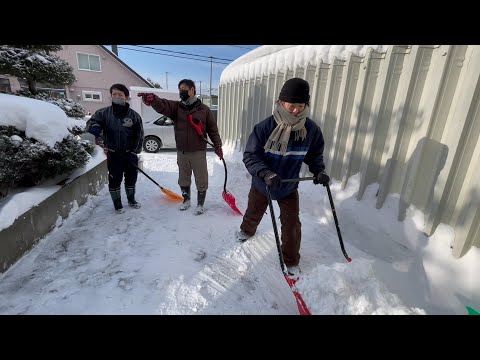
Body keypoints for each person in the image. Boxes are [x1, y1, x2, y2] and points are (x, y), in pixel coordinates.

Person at [237, 78, 330, 275]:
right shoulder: (264, 127)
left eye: (301, 105)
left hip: (288, 187)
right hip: (263, 184)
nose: (296, 110)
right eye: (292, 105)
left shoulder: (310, 130)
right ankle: (246, 230)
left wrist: (318, 171)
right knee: (254, 212)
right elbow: (251, 156)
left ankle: (291, 260)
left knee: (291, 224)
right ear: (281, 103)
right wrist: (266, 173)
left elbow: (314, 155)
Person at [138, 79, 223, 215]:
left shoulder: (204, 110)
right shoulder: (177, 108)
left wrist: (218, 146)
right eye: (180, 89)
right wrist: (154, 100)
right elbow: (163, 105)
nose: (181, 92)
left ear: (192, 90)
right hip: (182, 151)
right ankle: (186, 200)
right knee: (183, 178)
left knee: (201, 178)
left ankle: (200, 204)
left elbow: (213, 130)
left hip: (198, 151)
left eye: (184, 89)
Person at [86, 84, 144, 214]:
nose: (117, 97)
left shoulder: (134, 116)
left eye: (120, 94)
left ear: (126, 97)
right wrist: (94, 126)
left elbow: (139, 135)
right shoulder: (103, 113)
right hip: (113, 153)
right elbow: (92, 122)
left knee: (131, 178)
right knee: (115, 178)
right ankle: (117, 203)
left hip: (130, 153)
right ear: (111, 96)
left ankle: (131, 199)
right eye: (114, 94)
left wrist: (134, 151)